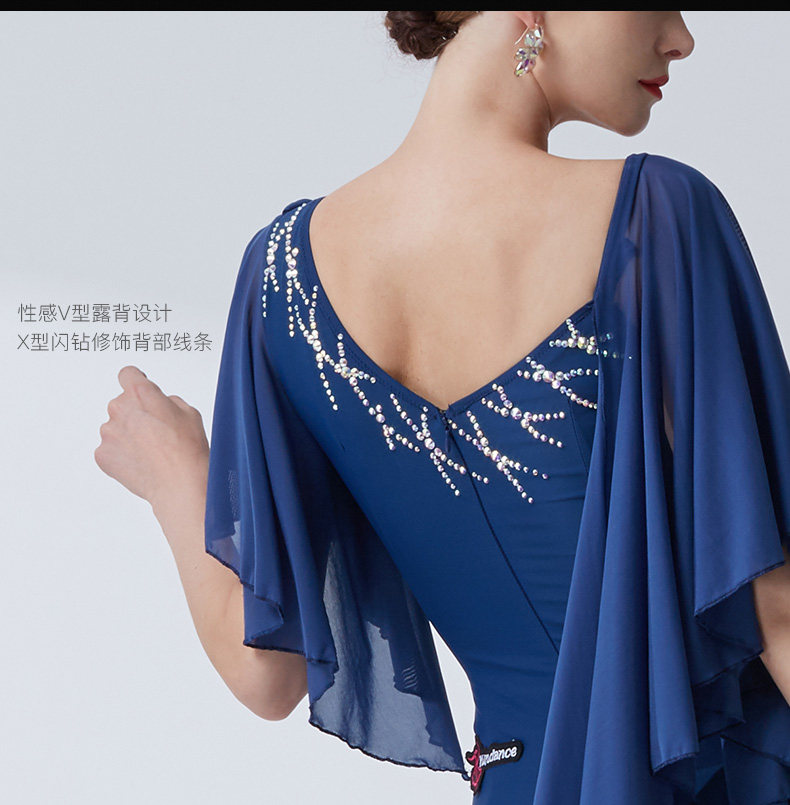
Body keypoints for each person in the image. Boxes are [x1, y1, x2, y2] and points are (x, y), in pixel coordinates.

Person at [95, 11, 790, 804]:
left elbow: (267, 672)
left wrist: (177, 474)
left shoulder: (281, 278)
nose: (680, 38)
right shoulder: (654, 220)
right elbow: (776, 610)